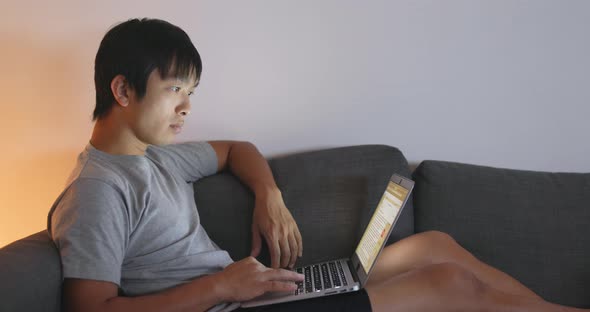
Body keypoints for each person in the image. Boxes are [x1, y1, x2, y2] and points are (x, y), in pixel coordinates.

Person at [48, 18, 587, 312]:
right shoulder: (98, 189)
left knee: (433, 246)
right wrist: (221, 287)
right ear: (122, 89)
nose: (188, 106)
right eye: (174, 90)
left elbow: (238, 149)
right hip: (230, 305)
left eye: (191, 91)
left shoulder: (158, 158)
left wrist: (269, 197)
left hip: (255, 294)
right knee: (448, 283)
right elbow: (91, 309)